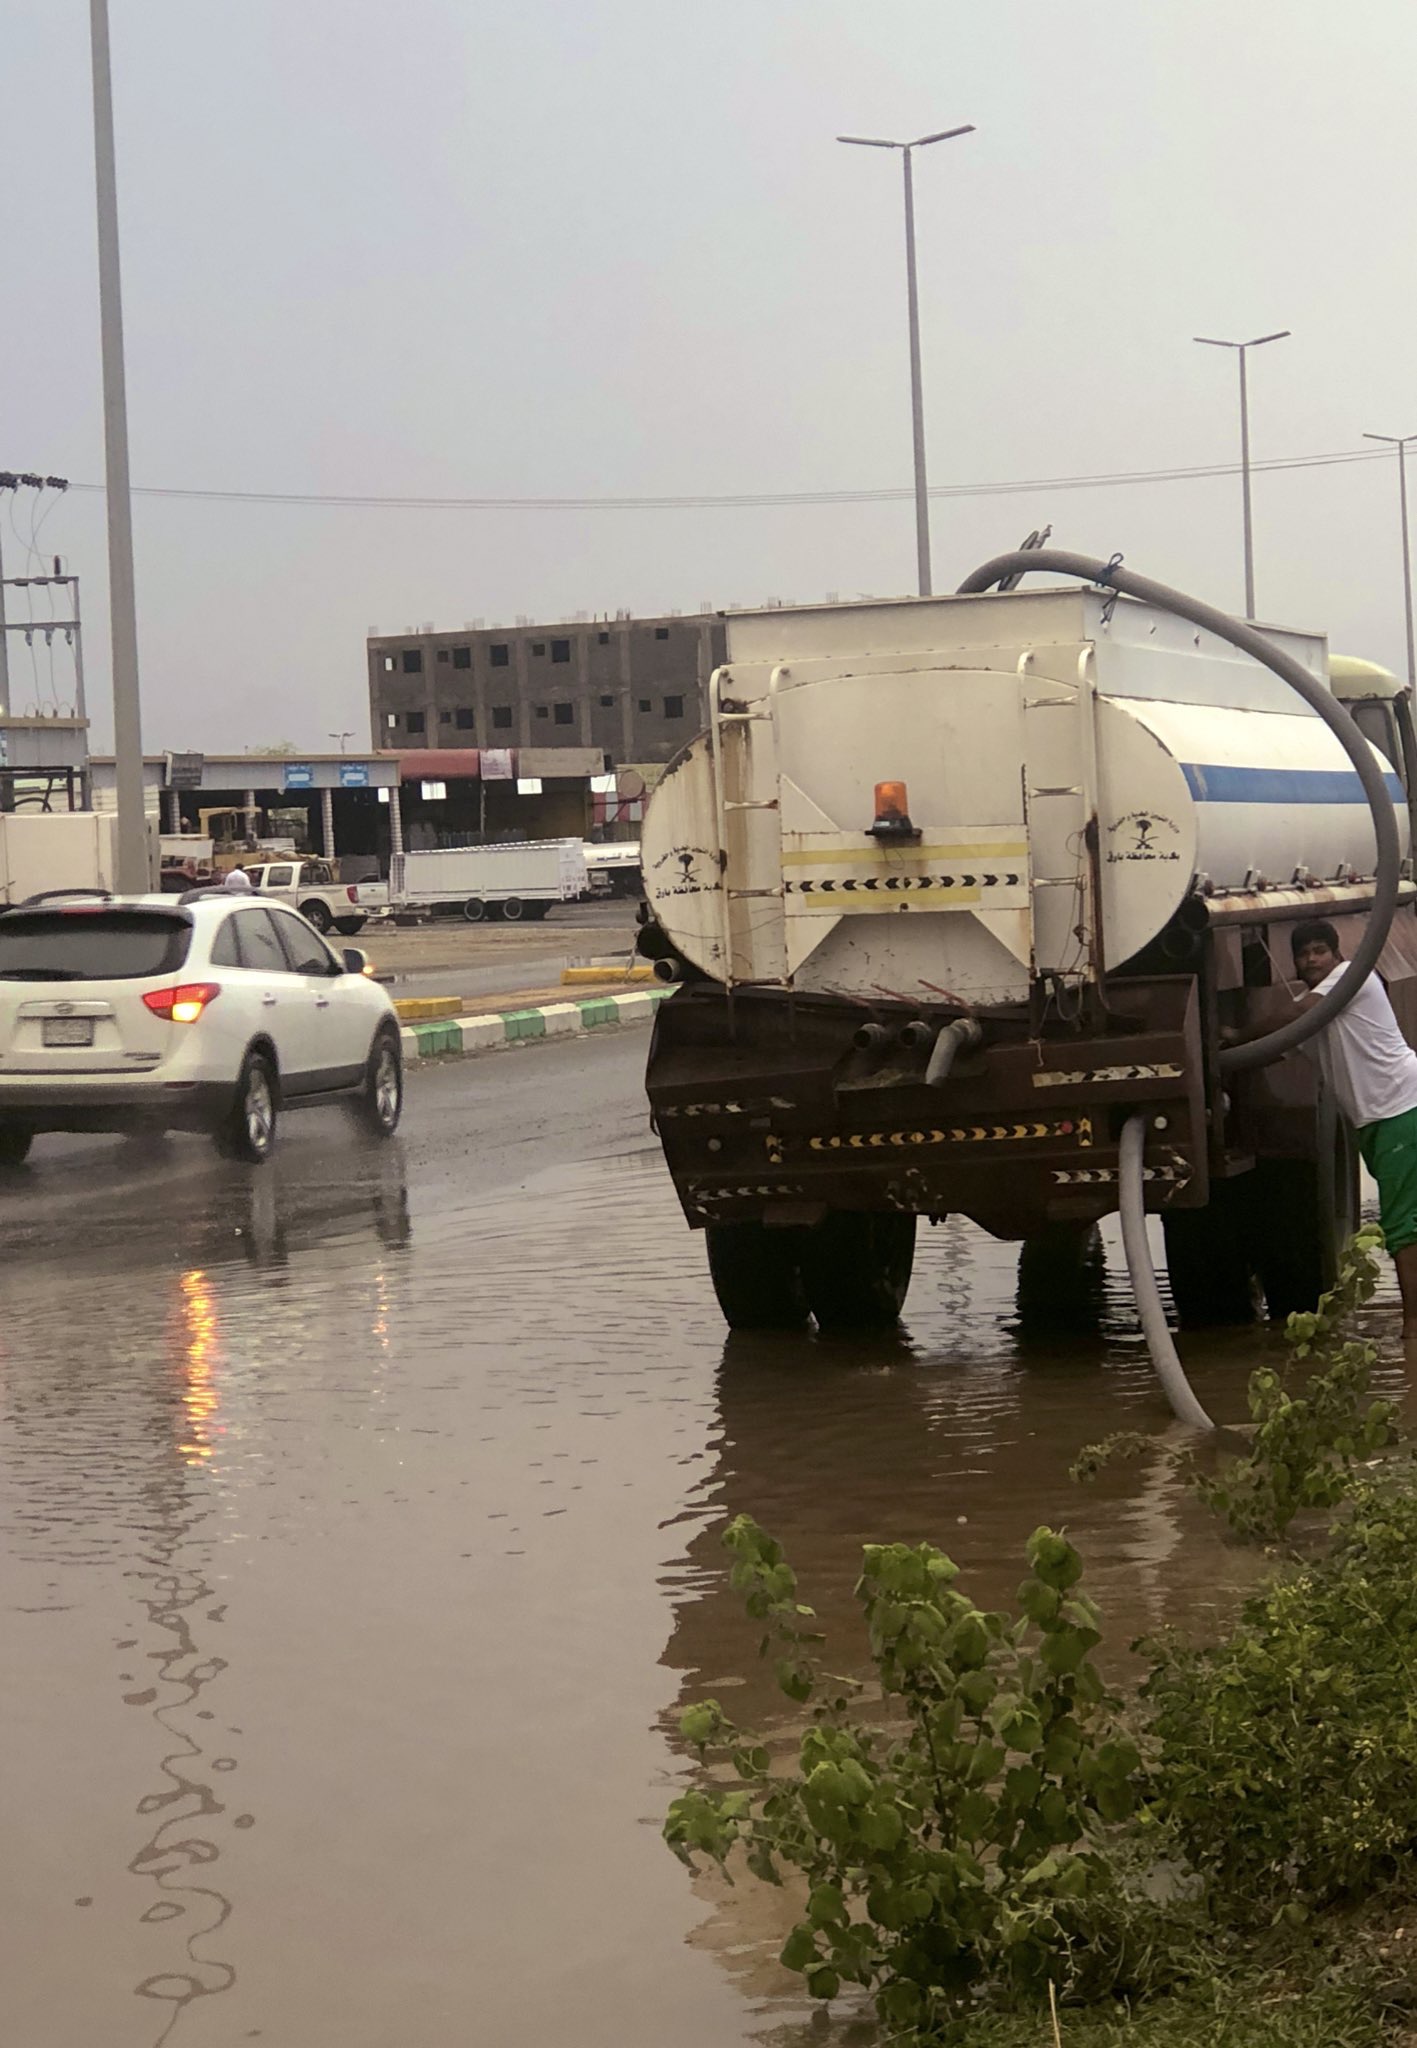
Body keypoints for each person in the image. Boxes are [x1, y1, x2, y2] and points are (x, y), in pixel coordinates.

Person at [1284, 917, 1417, 1334]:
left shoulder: (1349, 979)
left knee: (1402, 1225)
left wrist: (1234, 1033)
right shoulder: (1320, 1009)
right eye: (1303, 955)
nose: (1312, 960)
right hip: (1379, 1119)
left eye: (1319, 950)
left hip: (1401, 1108)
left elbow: (1292, 1015)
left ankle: (1412, 1326)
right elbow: (1283, 1040)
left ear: (1337, 953)